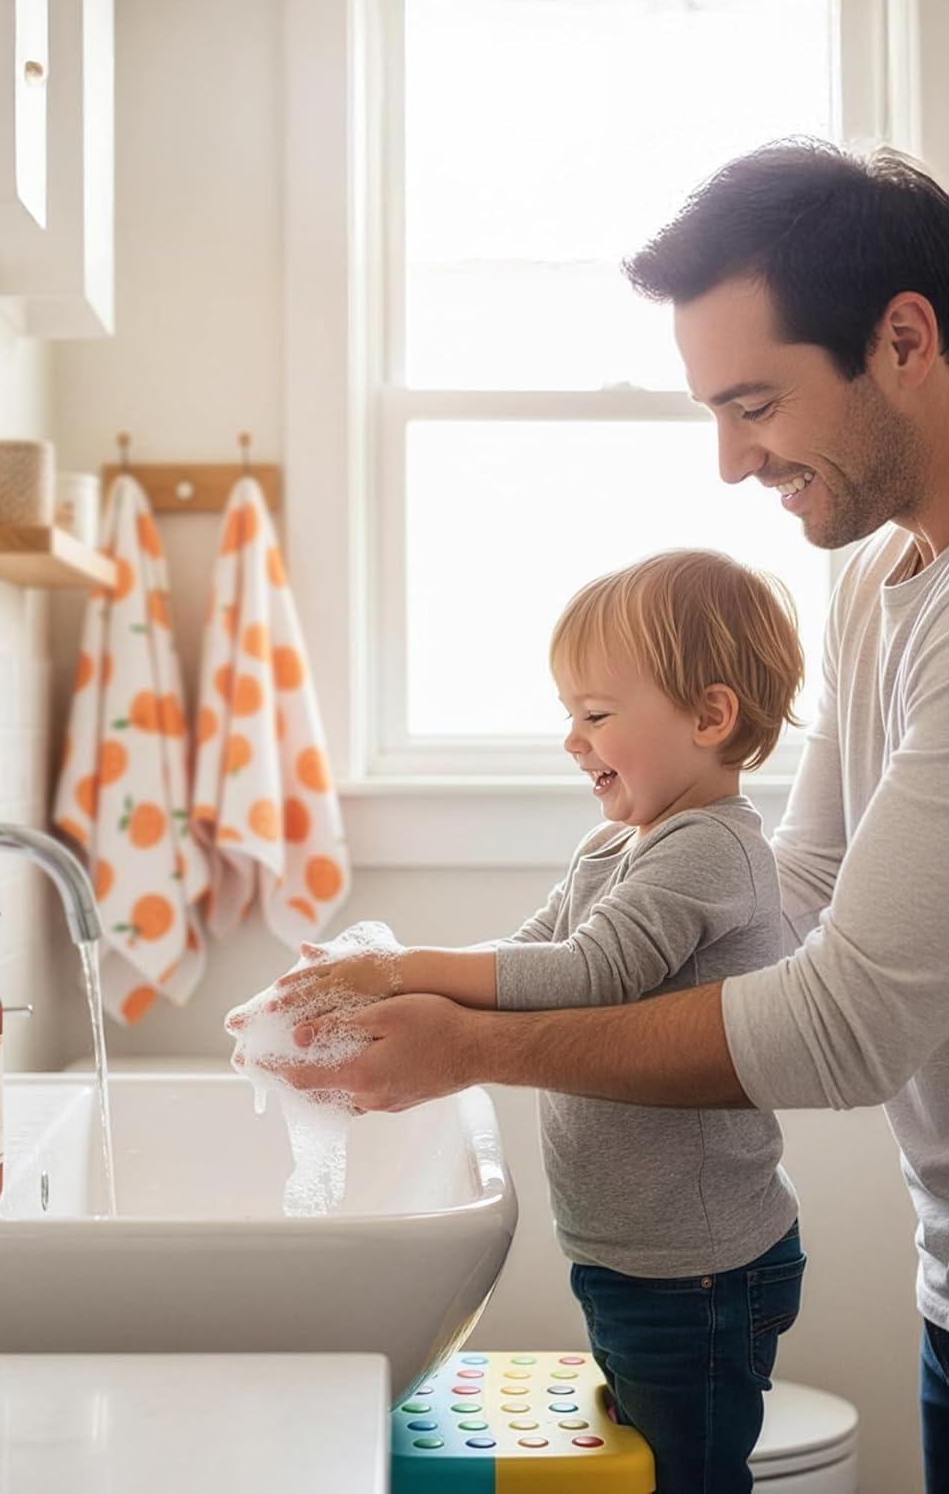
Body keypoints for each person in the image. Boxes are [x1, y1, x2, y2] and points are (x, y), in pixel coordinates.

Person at [275, 139, 949, 1492]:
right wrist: (455, 978)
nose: (729, 459)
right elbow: (794, 894)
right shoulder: (888, 575)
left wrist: (469, 1046)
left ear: (906, 341)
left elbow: (848, 1025)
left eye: (755, 402)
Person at [267, 548, 807, 1494]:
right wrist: (388, 1002)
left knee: (688, 1477)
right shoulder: (613, 847)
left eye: (596, 715)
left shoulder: (712, 852)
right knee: (651, 1464)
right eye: (568, 713)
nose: (572, 738)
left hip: (703, 1273)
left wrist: (399, 969)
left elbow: (588, 973)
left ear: (710, 717)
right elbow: (524, 956)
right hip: (633, 1255)